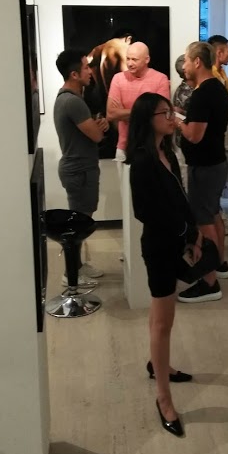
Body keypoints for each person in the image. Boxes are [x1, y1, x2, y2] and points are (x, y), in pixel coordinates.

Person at [127, 93, 202, 438]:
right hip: (159, 247)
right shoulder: (143, 161)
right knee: (162, 322)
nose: (173, 118)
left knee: (162, 318)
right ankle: (163, 398)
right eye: (165, 113)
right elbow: (144, 212)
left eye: (171, 112)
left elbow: (181, 197)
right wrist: (181, 230)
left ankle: (158, 364)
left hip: (176, 241)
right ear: (149, 118)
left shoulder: (167, 152)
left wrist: (192, 232)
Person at [175, 41, 228, 302]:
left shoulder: (202, 94)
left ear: (197, 62)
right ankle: (218, 264)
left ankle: (209, 283)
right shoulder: (217, 87)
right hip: (215, 162)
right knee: (213, 214)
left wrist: (176, 120)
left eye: (187, 60)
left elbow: (194, 135)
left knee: (204, 222)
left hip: (205, 166)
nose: (184, 66)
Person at [53, 49, 109, 286]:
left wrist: (97, 127)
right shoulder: (73, 102)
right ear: (74, 74)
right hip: (79, 170)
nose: (90, 71)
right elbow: (96, 136)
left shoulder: (68, 98)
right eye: (86, 67)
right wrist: (100, 128)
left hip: (79, 168)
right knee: (78, 224)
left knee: (80, 220)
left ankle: (77, 266)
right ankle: (71, 274)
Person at [106, 42, 170, 161]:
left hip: (153, 146)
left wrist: (123, 112)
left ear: (147, 60)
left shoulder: (160, 79)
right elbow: (111, 114)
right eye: (128, 59)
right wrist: (146, 112)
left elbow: (161, 115)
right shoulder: (118, 79)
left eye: (134, 59)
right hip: (124, 146)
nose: (130, 63)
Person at [172, 53, 194, 187]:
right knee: (187, 180)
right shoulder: (185, 92)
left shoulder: (190, 89)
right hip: (185, 142)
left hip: (186, 141)